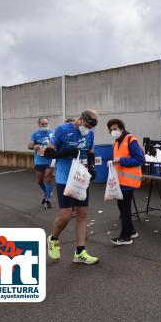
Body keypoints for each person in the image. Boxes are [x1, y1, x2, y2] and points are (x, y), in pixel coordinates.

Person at [41, 110, 99, 265]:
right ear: (80, 119)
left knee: (82, 213)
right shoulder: (62, 129)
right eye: (86, 125)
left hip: (81, 177)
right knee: (66, 216)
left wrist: (92, 167)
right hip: (64, 178)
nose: (87, 129)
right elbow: (48, 153)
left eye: (90, 128)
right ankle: (53, 239)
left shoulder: (90, 134)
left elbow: (91, 152)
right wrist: (67, 152)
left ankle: (80, 252)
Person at [107, 119, 144, 245]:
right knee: (122, 206)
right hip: (120, 181)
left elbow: (139, 159)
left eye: (115, 128)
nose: (113, 131)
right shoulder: (116, 142)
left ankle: (125, 236)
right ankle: (131, 230)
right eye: (111, 129)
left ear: (121, 128)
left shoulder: (130, 140)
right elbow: (117, 159)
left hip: (129, 180)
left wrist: (121, 160)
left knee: (125, 208)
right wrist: (112, 162)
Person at [28, 117, 54, 209]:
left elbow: (57, 144)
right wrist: (34, 146)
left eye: (46, 123)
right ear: (39, 124)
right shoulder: (35, 134)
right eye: (43, 124)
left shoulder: (52, 134)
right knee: (39, 181)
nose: (45, 125)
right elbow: (29, 146)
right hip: (39, 161)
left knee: (48, 178)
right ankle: (47, 192)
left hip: (49, 160)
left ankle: (48, 199)